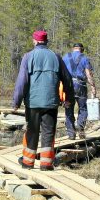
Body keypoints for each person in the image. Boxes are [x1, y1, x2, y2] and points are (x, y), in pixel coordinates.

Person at [12, 30, 74, 171]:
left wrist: (16, 101)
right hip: (51, 102)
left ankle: (28, 162)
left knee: (32, 131)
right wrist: (68, 98)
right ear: (46, 41)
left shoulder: (28, 57)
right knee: (48, 132)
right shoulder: (56, 57)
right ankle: (46, 164)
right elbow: (68, 80)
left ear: (35, 41)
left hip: (33, 103)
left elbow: (22, 81)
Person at [62, 42, 97, 139]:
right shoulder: (85, 58)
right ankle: (80, 128)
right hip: (80, 85)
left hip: (68, 86)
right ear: (82, 49)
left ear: (73, 49)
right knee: (83, 108)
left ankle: (71, 133)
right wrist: (93, 87)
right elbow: (88, 74)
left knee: (68, 109)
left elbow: (60, 73)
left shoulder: (65, 57)